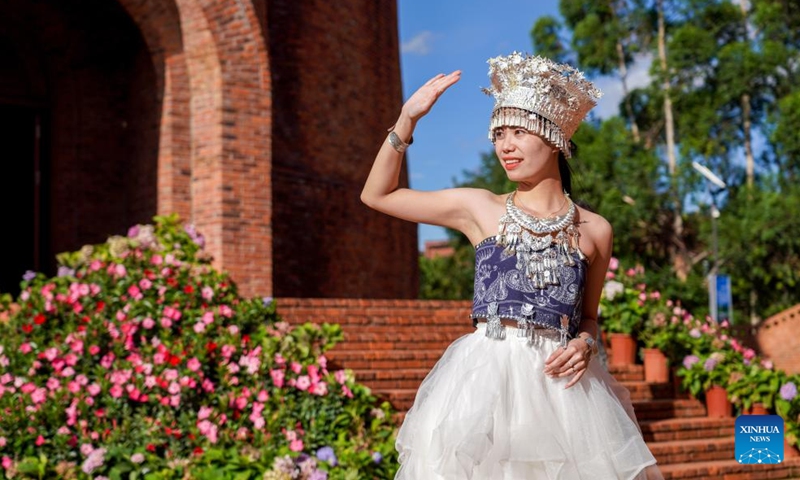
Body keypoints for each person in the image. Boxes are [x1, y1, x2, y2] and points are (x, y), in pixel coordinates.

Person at [361, 52, 662, 479]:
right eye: (499, 133)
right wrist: (407, 119)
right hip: (484, 385)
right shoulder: (479, 208)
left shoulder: (596, 230)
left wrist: (585, 344)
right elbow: (378, 196)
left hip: (565, 396)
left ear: (554, 137)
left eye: (519, 132)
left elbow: (589, 318)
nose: (505, 145)